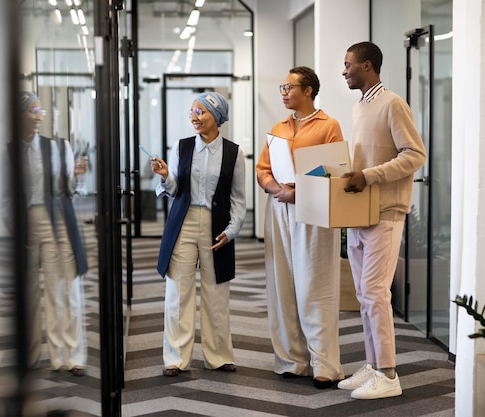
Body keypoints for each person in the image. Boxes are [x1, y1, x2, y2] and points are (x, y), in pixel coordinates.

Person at [338, 42, 427, 400]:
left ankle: (389, 374)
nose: (344, 70)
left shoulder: (392, 103)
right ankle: (374, 366)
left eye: (348, 64)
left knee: (375, 293)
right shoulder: (360, 105)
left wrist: (370, 176)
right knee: (364, 295)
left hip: (387, 213)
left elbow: (415, 154)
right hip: (360, 213)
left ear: (368, 66)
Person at [255, 66, 345, 389]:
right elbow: (263, 169)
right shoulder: (278, 128)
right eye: (282, 87)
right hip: (278, 208)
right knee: (282, 283)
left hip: (314, 210)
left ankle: (325, 364)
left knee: (314, 285)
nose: (283, 92)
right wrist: (274, 188)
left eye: (289, 87)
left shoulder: (329, 126)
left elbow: (336, 173)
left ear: (308, 91)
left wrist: (297, 191)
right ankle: (291, 360)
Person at [151, 91, 246, 377]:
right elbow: (175, 189)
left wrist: (231, 231)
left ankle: (218, 356)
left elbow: (239, 200)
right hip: (184, 221)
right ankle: (176, 358)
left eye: (201, 112)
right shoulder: (182, 148)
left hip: (217, 227)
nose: (194, 117)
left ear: (216, 118)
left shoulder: (234, 152)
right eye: (192, 112)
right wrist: (166, 175)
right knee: (178, 291)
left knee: (216, 293)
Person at [1, 91, 89, 376]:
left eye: (41, 111)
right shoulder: (9, 151)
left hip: (56, 220)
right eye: (33, 111)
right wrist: (16, 228)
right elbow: (6, 198)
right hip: (26, 221)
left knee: (62, 288)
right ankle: (29, 355)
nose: (39, 116)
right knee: (27, 294)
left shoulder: (58, 147)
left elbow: (68, 190)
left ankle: (69, 355)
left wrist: (76, 175)